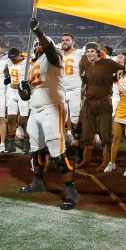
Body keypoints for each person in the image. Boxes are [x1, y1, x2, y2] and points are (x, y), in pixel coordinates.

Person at [18, 18, 78, 210]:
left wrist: (38, 32)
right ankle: (37, 181)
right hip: (35, 109)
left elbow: (50, 47)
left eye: (39, 44)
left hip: (52, 107)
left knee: (56, 149)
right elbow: (26, 96)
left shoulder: (53, 57)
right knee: (35, 148)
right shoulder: (32, 65)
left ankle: (71, 191)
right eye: (35, 45)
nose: (36, 47)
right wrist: (23, 89)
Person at [78, 42, 125, 170]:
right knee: (86, 133)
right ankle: (86, 159)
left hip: (104, 102)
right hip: (89, 103)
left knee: (105, 133)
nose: (90, 54)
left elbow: (124, 68)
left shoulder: (108, 63)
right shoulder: (85, 64)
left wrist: (119, 75)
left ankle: (106, 161)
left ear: (98, 52)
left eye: (92, 51)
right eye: (88, 52)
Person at [60, 33, 85, 150]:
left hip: (75, 89)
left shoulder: (80, 53)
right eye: (63, 40)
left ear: (73, 42)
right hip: (61, 90)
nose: (64, 42)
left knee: (76, 119)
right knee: (62, 118)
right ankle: (64, 142)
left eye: (67, 40)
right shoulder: (58, 53)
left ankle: (78, 144)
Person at [3, 47, 30, 153]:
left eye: (14, 58)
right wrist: (7, 76)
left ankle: (27, 142)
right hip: (11, 90)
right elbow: (5, 68)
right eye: (11, 59)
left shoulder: (27, 62)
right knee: (10, 118)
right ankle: (11, 143)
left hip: (22, 92)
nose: (12, 60)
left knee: (24, 119)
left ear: (20, 55)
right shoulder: (8, 62)